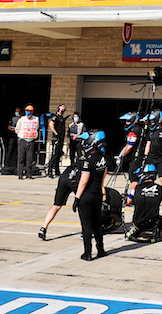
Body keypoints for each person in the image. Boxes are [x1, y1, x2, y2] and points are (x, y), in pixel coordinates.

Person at [74, 131, 108, 260]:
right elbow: (103, 179)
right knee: (97, 224)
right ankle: (101, 250)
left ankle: (87, 253)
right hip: (97, 194)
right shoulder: (103, 159)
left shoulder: (88, 160)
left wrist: (77, 198)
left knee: (87, 225)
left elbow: (83, 182)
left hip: (86, 196)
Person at [127, 163, 162, 242]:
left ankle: (135, 230)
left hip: (138, 222)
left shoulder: (136, 188)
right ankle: (161, 233)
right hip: (153, 223)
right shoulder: (159, 188)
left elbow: (128, 202)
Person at [15, 105, 40, 179]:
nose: (28, 113)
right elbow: (17, 128)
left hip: (31, 140)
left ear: (32, 112)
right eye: (27, 111)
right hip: (22, 139)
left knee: (30, 158)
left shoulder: (36, 119)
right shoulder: (22, 119)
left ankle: (29, 174)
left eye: (30, 111)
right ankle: (20, 174)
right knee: (21, 158)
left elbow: (37, 127)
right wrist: (21, 135)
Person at [47, 104, 68, 178]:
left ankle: (57, 171)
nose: (63, 110)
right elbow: (51, 124)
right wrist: (56, 133)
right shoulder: (55, 117)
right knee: (54, 155)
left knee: (59, 155)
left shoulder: (61, 118)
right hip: (56, 139)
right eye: (62, 109)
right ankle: (49, 171)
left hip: (61, 139)